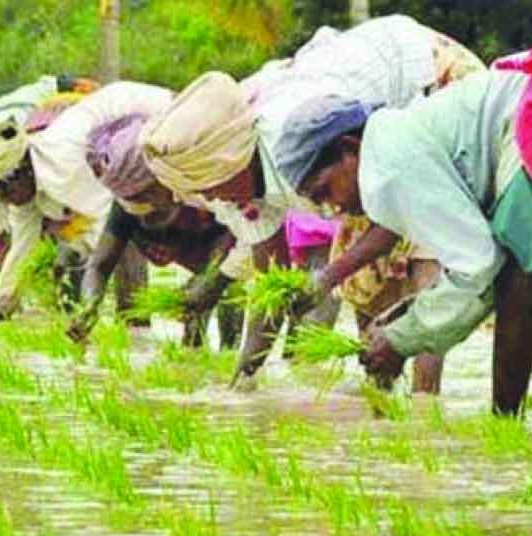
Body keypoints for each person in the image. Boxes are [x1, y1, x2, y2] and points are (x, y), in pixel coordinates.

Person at [275, 24, 532, 429]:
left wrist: (402, 339)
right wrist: (408, 317)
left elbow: (476, 264)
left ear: (350, 151)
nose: (329, 206)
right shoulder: (392, 145)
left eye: (324, 189)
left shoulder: (386, 169)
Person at [140, 14, 484, 387]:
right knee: (364, 284)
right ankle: (381, 393)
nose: (210, 199)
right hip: (367, 148)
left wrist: (324, 278)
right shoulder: (233, 186)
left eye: (211, 186)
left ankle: (423, 403)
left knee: (425, 249)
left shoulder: (296, 134)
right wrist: (243, 379)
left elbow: (395, 219)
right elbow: (271, 280)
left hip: (428, 77)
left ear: (234, 163)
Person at [0, 81, 163, 323]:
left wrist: (90, 306)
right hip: (130, 147)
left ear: (19, 172)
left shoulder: (63, 164)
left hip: (158, 124)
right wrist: (0, 309)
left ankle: (136, 324)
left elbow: (112, 223)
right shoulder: (27, 186)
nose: (5, 201)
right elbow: (22, 249)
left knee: (124, 236)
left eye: (2, 192)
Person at [74, 113, 244, 348]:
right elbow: (99, 266)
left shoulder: (201, 191)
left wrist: (210, 280)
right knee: (192, 337)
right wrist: (88, 306)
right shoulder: (126, 207)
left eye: (149, 195)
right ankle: (195, 358)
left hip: (221, 248)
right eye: (135, 200)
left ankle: (229, 355)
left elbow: (235, 243)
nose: (144, 207)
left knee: (226, 293)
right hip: (186, 250)